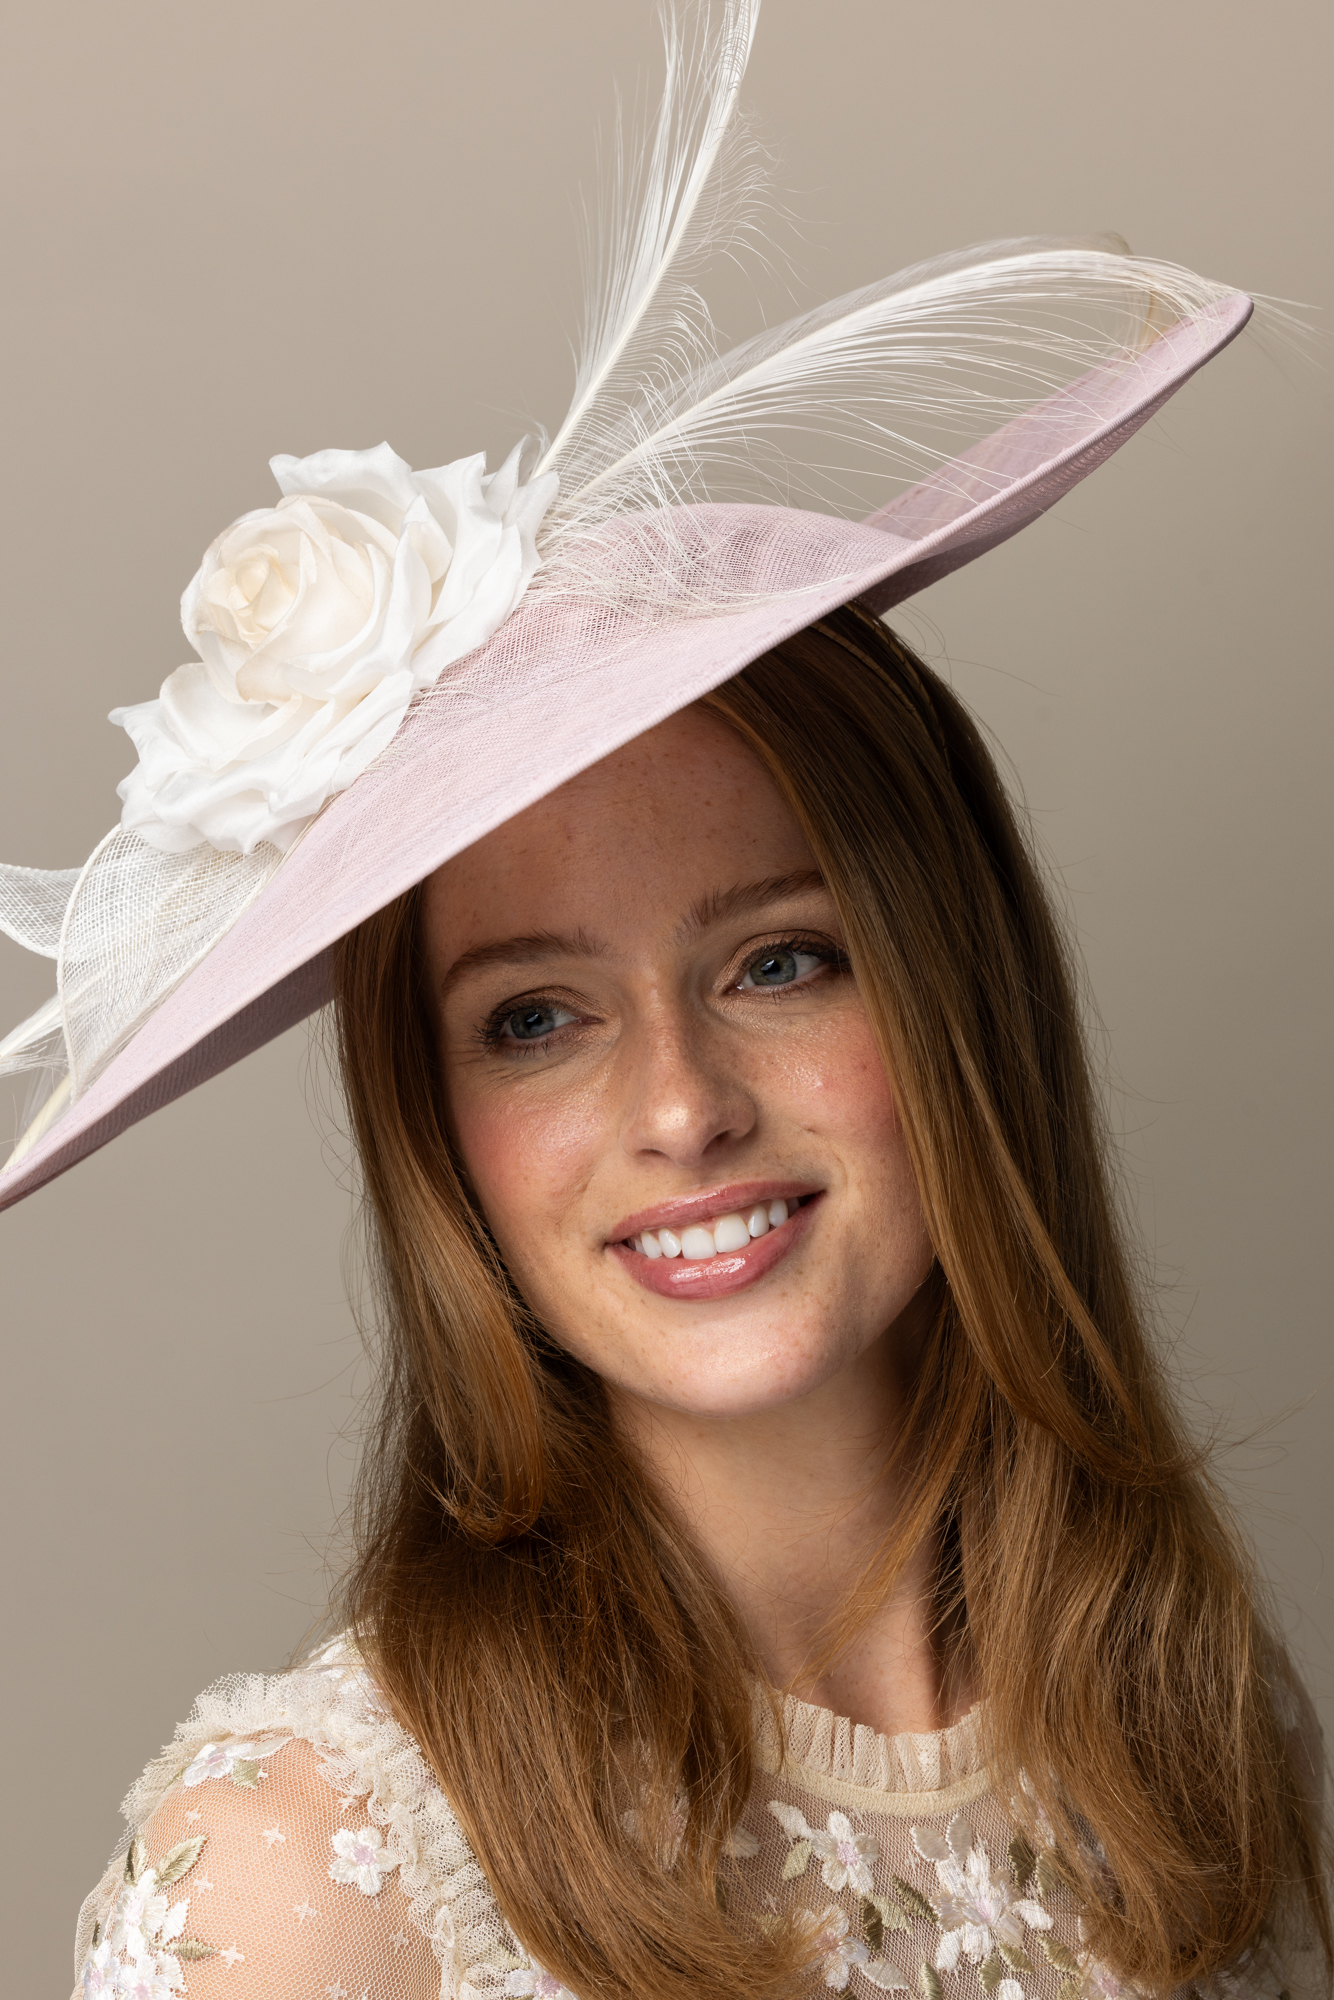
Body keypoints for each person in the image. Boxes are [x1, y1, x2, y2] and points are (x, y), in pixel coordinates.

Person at [0, 6, 1324, 1999]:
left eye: (777, 960)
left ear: (956, 992)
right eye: (534, 1016)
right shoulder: (301, 1878)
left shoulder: (1195, 1746)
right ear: (435, 1123)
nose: (683, 1106)